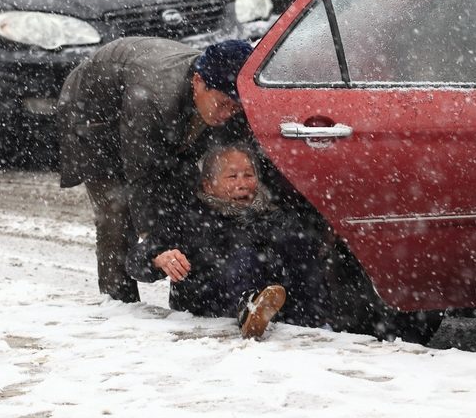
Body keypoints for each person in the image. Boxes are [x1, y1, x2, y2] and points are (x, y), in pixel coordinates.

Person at [57, 37, 253, 304]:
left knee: (186, 198)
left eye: (235, 106)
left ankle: (189, 295)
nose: (226, 114)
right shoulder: (154, 97)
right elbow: (142, 174)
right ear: (198, 83)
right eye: (221, 104)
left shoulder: (212, 94)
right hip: (94, 116)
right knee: (116, 211)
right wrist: (154, 246)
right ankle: (119, 303)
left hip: (151, 114)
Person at [127, 144, 329, 338]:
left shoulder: (273, 215)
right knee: (244, 254)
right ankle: (249, 307)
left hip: (280, 322)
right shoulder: (187, 219)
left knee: (300, 244)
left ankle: (315, 321)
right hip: (207, 314)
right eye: (232, 176)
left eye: (249, 175)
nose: (242, 183)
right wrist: (159, 260)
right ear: (208, 185)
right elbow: (135, 261)